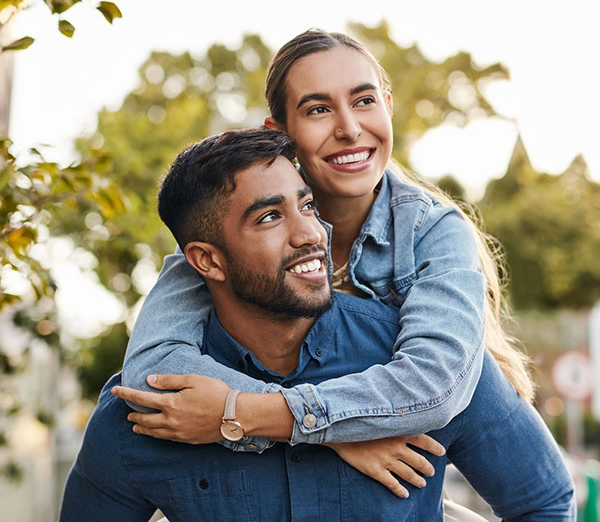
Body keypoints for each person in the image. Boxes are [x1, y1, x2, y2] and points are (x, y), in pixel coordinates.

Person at [60, 130, 574, 521]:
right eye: (268, 217)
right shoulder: (148, 413)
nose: (309, 233)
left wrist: (246, 414)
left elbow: (545, 502)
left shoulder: (424, 361)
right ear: (206, 261)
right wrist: (333, 435)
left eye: (307, 205)